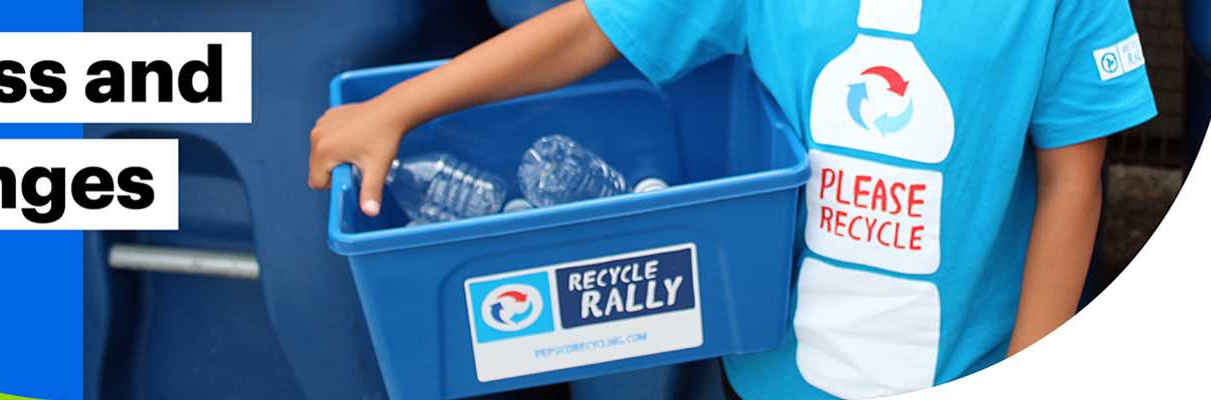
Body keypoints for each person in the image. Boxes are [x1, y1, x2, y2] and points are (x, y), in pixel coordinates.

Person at [308, 0, 1156, 398]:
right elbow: (592, 28)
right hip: (779, 379)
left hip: (963, 369)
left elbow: (1071, 180)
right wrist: (401, 107)